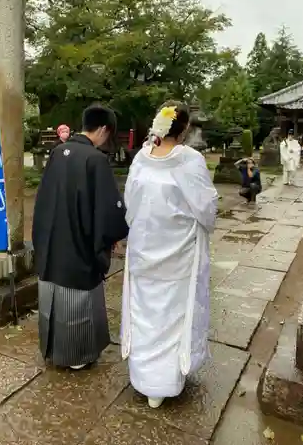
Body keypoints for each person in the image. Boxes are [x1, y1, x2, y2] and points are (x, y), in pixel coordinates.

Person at [121, 101, 218, 409]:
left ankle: (145, 379)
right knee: (172, 317)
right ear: (185, 128)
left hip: (145, 250)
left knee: (145, 313)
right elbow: (205, 209)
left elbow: (131, 205)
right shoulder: (191, 160)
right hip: (179, 253)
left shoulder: (141, 159)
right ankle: (165, 381)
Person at [32, 104, 129, 370]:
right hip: (78, 242)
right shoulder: (94, 159)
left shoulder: (57, 153)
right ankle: (75, 355)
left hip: (52, 238)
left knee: (53, 291)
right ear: (103, 129)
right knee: (76, 298)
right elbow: (107, 209)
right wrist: (113, 234)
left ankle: (52, 348)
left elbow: (44, 198)